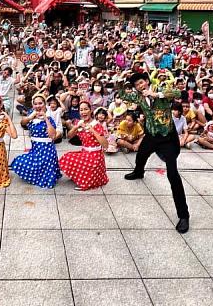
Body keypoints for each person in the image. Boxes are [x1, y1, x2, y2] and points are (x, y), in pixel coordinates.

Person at [123, 71, 190, 234]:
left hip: (167, 138)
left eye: (142, 83)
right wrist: (121, 84)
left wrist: (156, 94)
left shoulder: (161, 90)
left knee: (172, 175)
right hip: (151, 135)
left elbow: (182, 93)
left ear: (147, 81)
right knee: (141, 155)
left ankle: (183, 215)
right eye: (137, 85)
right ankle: (139, 172)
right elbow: (121, 94)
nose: (141, 86)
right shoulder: (138, 97)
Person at [11, 94, 61, 189]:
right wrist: (31, 117)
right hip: (35, 150)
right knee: (18, 162)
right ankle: (37, 174)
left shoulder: (50, 116)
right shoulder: (31, 114)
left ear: (45, 104)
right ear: (33, 105)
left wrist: (46, 118)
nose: (38, 106)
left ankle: (41, 173)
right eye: (35, 104)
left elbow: (53, 135)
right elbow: (22, 123)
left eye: (40, 103)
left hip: (47, 151)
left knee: (47, 179)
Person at [59, 102, 109, 190]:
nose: (83, 112)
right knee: (66, 157)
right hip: (85, 153)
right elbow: (69, 136)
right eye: (81, 110)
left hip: (95, 155)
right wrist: (75, 127)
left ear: (91, 111)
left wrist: (92, 130)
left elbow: (105, 145)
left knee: (86, 168)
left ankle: (85, 181)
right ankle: (79, 176)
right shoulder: (79, 122)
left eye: (86, 109)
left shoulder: (97, 125)